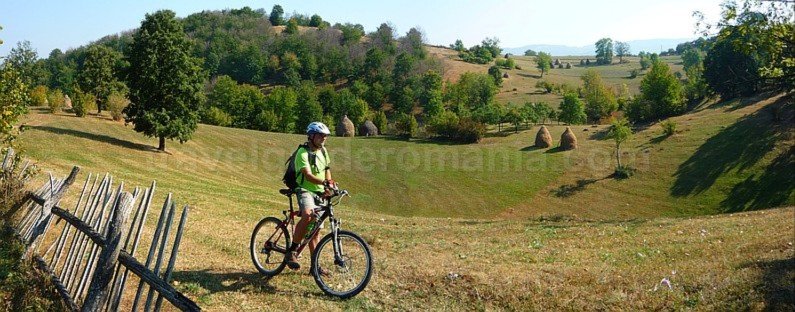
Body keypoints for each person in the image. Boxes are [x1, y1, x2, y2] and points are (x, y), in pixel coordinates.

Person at [286, 121, 335, 272]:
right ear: (311, 136)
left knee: (315, 231)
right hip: (304, 190)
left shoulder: (323, 151)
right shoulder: (302, 152)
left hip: (319, 192)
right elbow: (307, 175)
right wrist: (324, 182)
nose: (324, 138)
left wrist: (329, 184)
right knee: (307, 215)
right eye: (321, 135)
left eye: (325, 136)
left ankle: (315, 267)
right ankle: (292, 251)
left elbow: (327, 169)